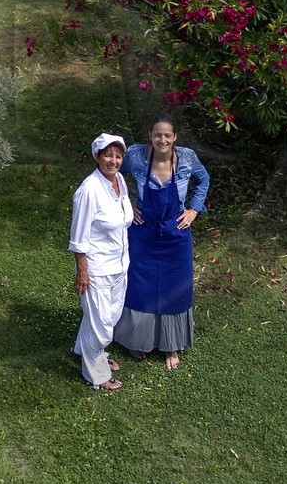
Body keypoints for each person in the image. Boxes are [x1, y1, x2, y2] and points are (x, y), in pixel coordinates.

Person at [116, 116, 211, 370]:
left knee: (175, 286)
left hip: (176, 233)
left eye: (167, 135)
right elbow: (112, 174)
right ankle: (137, 339)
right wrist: (126, 205)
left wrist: (193, 209)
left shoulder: (187, 158)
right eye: (158, 134)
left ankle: (171, 345)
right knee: (140, 284)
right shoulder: (135, 156)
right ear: (150, 135)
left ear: (175, 138)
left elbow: (204, 180)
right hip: (143, 231)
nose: (162, 140)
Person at [70, 132, 132, 390]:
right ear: (97, 156)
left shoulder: (119, 181)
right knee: (102, 326)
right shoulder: (88, 191)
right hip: (96, 269)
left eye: (118, 156)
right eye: (108, 155)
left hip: (120, 265)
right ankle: (96, 374)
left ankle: (83, 350)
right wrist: (82, 271)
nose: (113, 160)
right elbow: (78, 237)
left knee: (108, 317)